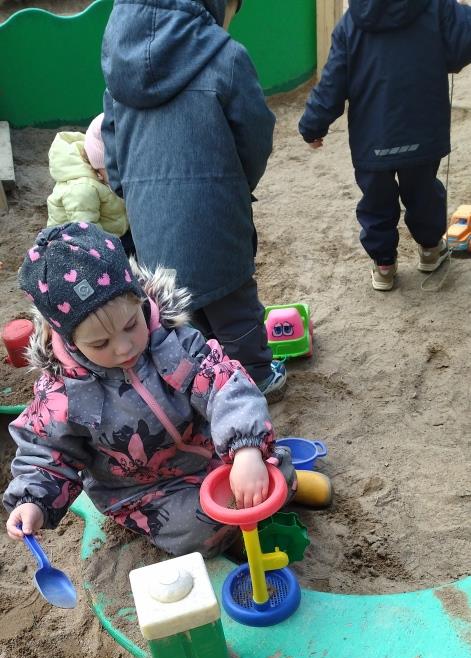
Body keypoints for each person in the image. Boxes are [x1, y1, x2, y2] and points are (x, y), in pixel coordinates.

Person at [3, 224, 295, 557]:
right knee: (198, 527)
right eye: (100, 343)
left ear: (139, 300)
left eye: (131, 325)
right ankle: (238, 528)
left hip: (215, 454)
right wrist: (32, 501)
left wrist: (245, 449)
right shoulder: (64, 392)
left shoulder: (173, 341)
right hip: (147, 491)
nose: (124, 347)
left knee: (275, 471)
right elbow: (47, 453)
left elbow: (225, 386)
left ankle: (266, 496)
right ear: (70, 341)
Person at [100, 0, 287, 401]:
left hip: (149, 217)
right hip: (215, 210)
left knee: (177, 309)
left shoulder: (119, 65)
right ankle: (255, 377)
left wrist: (131, 194)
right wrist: (240, 182)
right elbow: (254, 133)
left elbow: (112, 144)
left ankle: (199, 384)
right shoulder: (225, 55)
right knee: (233, 303)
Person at [298, 0, 471, 291]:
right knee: (424, 191)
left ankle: (384, 264)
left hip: (372, 136)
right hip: (424, 128)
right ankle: (430, 248)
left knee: (376, 200)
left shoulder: (350, 24)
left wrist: (312, 125)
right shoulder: (435, 6)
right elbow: (460, 47)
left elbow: (332, 82)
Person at [47, 114, 134, 256]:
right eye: (115, 169)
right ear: (98, 163)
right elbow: (86, 234)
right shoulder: (83, 189)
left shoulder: (101, 176)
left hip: (113, 232)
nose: (120, 176)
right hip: (76, 247)